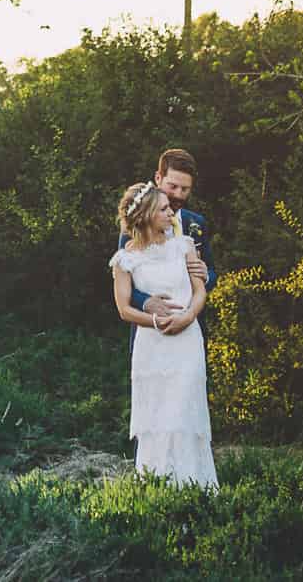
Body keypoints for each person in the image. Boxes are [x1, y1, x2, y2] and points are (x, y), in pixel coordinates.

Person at [109, 179, 217, 487]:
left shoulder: (184, 246)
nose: (172, 213)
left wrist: (187, 317)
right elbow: (124, 309)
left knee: (183, 414)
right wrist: (154, 322)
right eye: (164, 209)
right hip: (151, 345)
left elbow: (200, 293)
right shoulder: (125, 259)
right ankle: (158, 489)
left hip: (187, 341)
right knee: (157, 418)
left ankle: (196, 488)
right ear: (145, 216)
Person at [126, 148, 215, 326]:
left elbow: (212, 271)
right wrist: (145, 302)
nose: (178, 195)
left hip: (192, 326)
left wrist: (207, 276)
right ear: (158, 178)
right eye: (173, 187)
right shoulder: (135, 227)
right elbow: (123, 283)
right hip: (150, 328)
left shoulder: (196, 223)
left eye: (185, 189)